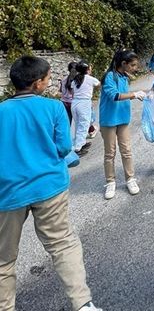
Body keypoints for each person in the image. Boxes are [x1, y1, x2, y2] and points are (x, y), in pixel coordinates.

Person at [0, 56, 103, 311]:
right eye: (47, 79)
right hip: (49, 187)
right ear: (37, 84)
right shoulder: (53, 108)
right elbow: (64, 148)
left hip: (8, 192)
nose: (49, 82)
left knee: (3, 260)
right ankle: (82, 304)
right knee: (62, 243)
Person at [99, 50, 146, 200]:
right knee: (110, 153)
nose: (134, 68)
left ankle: (130, 179)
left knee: (126, 150)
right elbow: (114, 95)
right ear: (123, 64)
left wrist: (138, 96)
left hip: (123, 119)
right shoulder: (109, 77)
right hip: (108, 120)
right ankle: (110, 182)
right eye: (132, 65)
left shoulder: (124, 77)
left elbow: (124, 95)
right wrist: (134, 94)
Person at [70, 62, 100, 156]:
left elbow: (72, 92)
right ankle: (77, 149)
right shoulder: (90, 79)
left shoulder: (75, 79)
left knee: (77, 124)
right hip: (84, 103)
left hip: (74, 103)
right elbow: (99, 84)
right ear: (87, 70)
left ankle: (80, 143)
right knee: (83, 125)